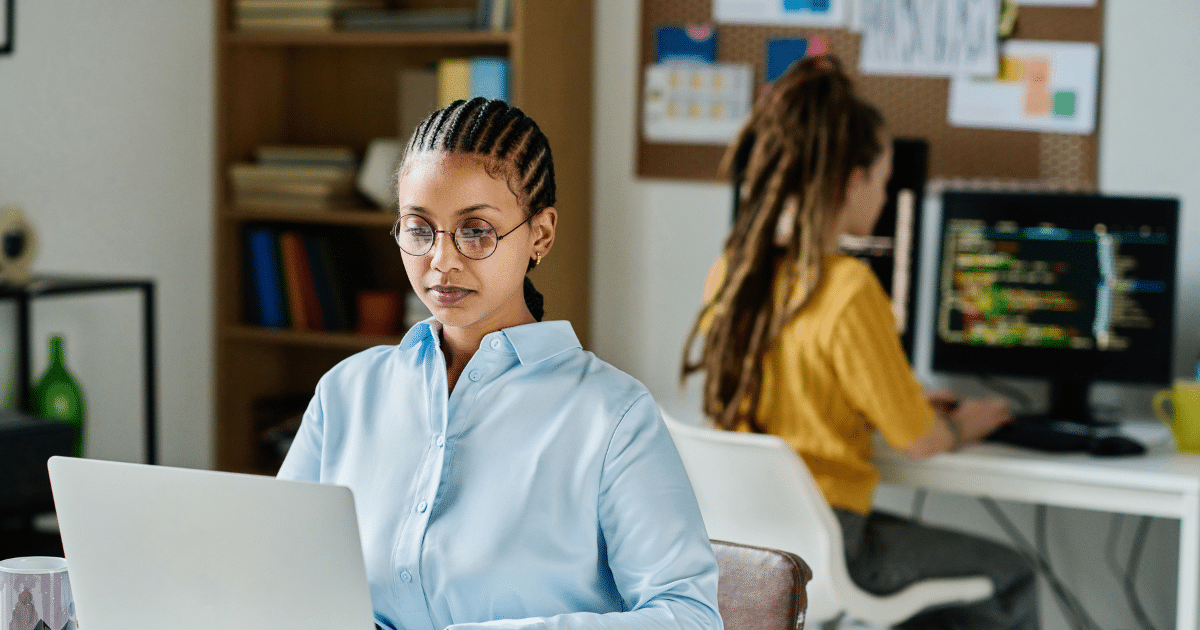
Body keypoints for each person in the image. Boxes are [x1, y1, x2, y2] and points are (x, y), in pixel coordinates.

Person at [279, 97, 723, 630]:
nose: (442, 260)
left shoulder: (612, 416)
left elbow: (689, 618)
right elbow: (279, 574)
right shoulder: (346, 392)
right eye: (419, 229)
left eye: (476, 231)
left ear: (541, 234)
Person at [681, 56, 1038, 630]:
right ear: (853, 183)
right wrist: (973, 418)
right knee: (1013, 574)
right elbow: (919, 441)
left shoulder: (733, 271)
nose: (887, 193)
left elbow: (807, 390)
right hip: (832, 544)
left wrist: (899, 398)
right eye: (883, 179)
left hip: (743, 548)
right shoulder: (848, 288)